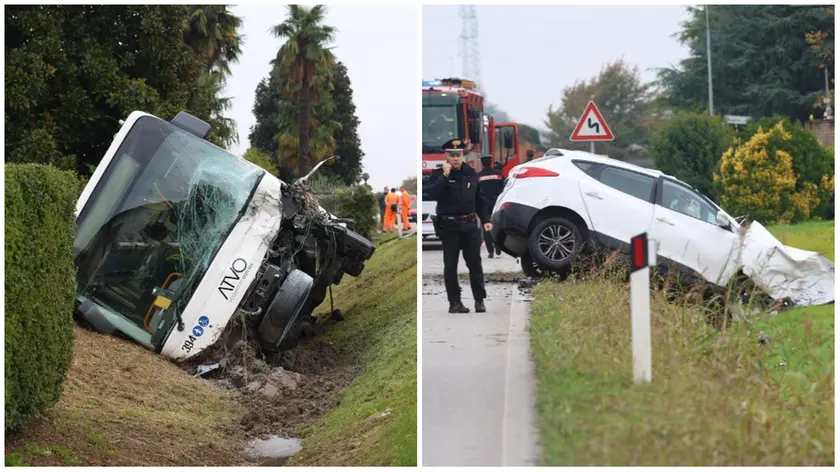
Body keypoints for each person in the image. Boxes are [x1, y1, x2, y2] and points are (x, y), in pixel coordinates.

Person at [425, 139, 492, 313]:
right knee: (450, 266)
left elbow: (480, 198)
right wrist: (444, 176)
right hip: (449, 227)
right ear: (446, 156)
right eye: (452, 155)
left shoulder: (470, 173)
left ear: (463, 155)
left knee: (475, 264)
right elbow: (432, 193)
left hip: (469, 226)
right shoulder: (439, 174)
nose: (456, 159)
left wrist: (486, 220)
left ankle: (479, 300)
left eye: (459, 155)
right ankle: (455, 303)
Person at [477, 155, 505, 258]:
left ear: (482, 163)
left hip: (484, 205)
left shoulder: (478, 176)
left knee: (486, 226)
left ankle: (490, 251)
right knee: (498, 225)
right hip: (497, 203)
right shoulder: (498, 174)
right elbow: (504, 188)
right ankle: (498, 246)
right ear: (491, 162)